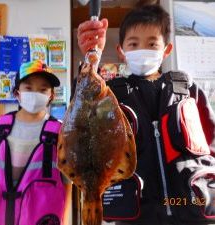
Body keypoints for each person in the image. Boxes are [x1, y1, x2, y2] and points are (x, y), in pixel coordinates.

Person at [77, 4, 215, 225]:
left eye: (152, 43)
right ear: (121, 51)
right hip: (138, 214)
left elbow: (211, 142)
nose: (143, 49)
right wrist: (91, 59)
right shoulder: (111, 95)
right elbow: (83, 117)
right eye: (134, 44)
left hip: (191, 209)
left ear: (166, 49)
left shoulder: (187, 88)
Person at [0, 60, 71, 225]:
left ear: (51, 95)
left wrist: (64, 219)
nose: (35, 93)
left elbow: (67, 180)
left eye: (43, 89)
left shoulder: (61, 132)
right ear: (17, 93)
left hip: (39, 216)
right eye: (29, 88)